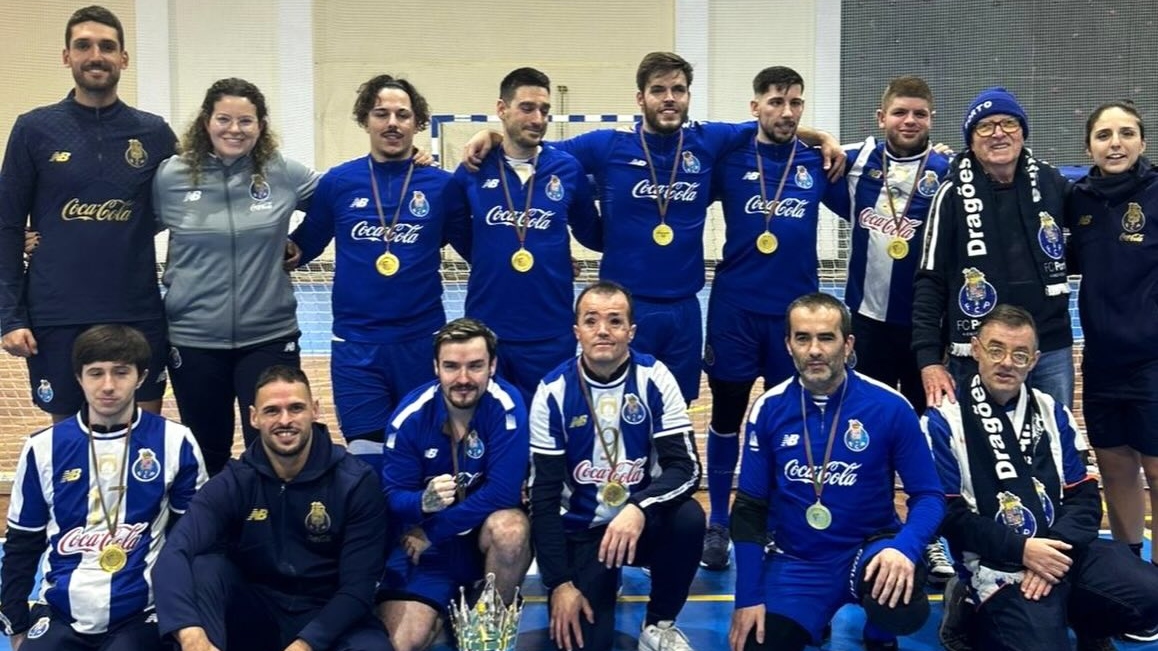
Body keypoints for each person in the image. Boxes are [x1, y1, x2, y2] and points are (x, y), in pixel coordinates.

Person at [924, 304, 1158, 651]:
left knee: (1150, 593)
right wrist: (1023, 550)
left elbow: (1085, 495)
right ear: (976, 349)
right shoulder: (943, 421)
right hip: (996, 565)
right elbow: (950, 517)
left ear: (1034, 361)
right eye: (996, 349)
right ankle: (968, 605)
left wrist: (1052, 553)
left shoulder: (1052, 411)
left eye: (1020, 354)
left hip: (1062, 553)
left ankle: (1086, 619)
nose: (1007, 362)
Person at [728, 292, 944, 651]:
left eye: (826, 337)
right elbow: (750, 509)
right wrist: (746, 597)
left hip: (869, 551)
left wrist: (905, 548)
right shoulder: (768, 410)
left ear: (848, 344)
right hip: (798, 562)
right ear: (788, 345)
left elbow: (929, 496)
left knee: (902, 608)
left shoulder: (890, 406)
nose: (815, 350)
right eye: (803, 338)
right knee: (756, 643)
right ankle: (812, 615)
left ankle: (879, 628)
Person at [0, 5, 175, 422]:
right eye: (83, 45)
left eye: (107, 46)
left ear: (123, 59)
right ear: (66, 56)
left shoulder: (153, 133)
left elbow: (186, 202)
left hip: (136, 311)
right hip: (57, 314)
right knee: (69, 445)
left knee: (141, 438)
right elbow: (6, 224)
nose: (96, 55)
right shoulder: (34, 129)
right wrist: (9, 315)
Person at [290, 74, 469, 473]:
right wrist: (249, 245)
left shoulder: (442, 186)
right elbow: (305, 246)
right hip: (357, 348)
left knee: (425, 458)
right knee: (368, 461)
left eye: (402, 114)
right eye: (381, 113)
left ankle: (424, 535)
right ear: (365, 120)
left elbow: (478, 250)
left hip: (422, 344)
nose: (392, 122)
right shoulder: (338, 182)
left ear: (417, 123)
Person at [821, 75, 955, 585]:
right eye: (900, 112)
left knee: (931, 436)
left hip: (926, 332)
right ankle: (870, 528)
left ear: (931, 119)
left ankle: (934, 538)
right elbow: (802, 143)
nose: (909, 121)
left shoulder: (946, 170)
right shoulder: (856, 162)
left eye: (920, 113)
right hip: (867, 326)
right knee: (867, 434)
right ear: (881, 117)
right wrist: (823, 140)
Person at [154, 365, 390, 651]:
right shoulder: (235, 481)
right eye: (272, 411)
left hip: (330, 615)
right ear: (254, 417)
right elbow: (175, 551)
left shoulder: (356, 482)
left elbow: (358, 589)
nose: (285, 420)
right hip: (257, 614)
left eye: (296, 408)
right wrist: (191, 635)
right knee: (206, 568)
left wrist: (306, 644)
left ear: (314, 411)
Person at [0, 324, 206, 650]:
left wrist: (190, 621)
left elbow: (193, 541)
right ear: (79, 378)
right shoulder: (43, 447)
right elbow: (23, 543)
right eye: (96, 373)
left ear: (140, 377)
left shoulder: (176, 442)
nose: (108, 386)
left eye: (120, 373)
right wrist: (14, 620)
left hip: (142, 614)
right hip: (60, 612)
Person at [700, 66, 832, 571]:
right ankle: (717, 522)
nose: (787, 112)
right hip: (735, 309)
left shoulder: (819, 162)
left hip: (796, 321)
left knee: (787, 425)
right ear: (755, 106)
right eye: (776, 102)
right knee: (728, 419)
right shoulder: (731, 158)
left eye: (796, 103)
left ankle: (781, 520)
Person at [153, 77, 320, 475]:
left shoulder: (281, 172)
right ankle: (217, 531)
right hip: (194, 339)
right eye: (224, 119)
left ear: (260, 125)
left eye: (246, 121)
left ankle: (268, 532)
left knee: (272, 448)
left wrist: (302, 244)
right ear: (206, 122)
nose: (234, 129)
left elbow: (339, 201)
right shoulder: (171, 177)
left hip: (268, 336)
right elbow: (126, 233)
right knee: (207, 449)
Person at [530, 281, 704, 651]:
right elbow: (543, 499)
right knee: (584, 642)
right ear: (577, 331)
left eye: (615, 321)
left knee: (688, 518)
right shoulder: (553, 391)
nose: (603, 331)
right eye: (591, 321)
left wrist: (638, 507)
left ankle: (659, 624)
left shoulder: (654, 378)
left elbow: (686, 468)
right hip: (583, 529)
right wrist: (558, 582)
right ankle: (600, 579)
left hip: (641, 523)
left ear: (631, 331)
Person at [913, 87, 1073, 412]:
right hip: (979, 350)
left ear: (1023, 132)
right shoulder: (950, 194)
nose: (999, 133)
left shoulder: (1052, 183)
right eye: (985, 126)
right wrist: (929, 360)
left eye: (1009, 124)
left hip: (1049, 346)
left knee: (1052, 443)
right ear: (971, 139)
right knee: (979, 451)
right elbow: (930, 280)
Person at [378, 318, 531, 651]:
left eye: (475, 366)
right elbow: (393, 496)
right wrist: (422, 503)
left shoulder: (508, 406)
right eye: (451, 366)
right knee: (402, 644)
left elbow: (504, 492)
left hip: (474, 540)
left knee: (511, 529)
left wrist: (434, 529)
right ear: (436, 367)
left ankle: (486, 630)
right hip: (429, 554)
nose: (463, 379)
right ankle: (450, 615)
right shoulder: (409, 419)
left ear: (492, 365)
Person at [1066, 100, 1158, 642]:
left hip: (1152, 361)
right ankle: (1136, 581)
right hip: (1099, 360)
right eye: (1104, 135)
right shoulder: (1078, 198)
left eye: (1127, 133)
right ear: (1089, 148)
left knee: (1157, 471)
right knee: (1117, 470)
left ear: (1142, 143)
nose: (1116, 142)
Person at [454, 67, 601, 405]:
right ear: (502, 109)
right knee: (488, 432)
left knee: (550, 432)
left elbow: (590, 232)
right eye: (527, 107)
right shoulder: (473, 170)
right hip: (486, 333)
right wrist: (493, 255)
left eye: (544, 110)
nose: (538, 118)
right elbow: (455, 231)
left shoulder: (567, 169)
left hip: (550, 332)